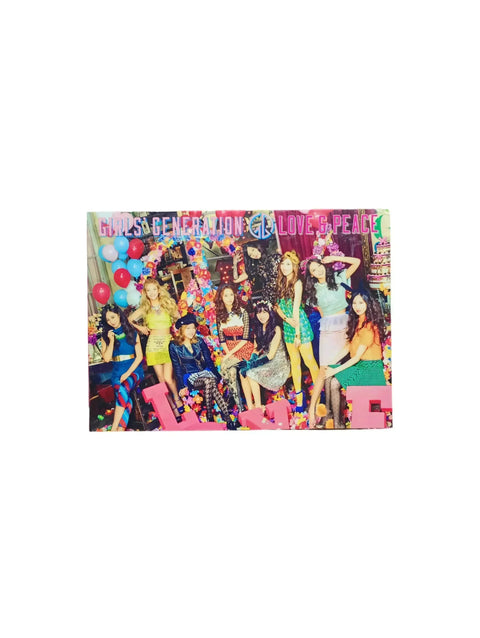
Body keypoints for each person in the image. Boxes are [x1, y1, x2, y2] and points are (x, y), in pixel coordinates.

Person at [308, 287, 386, 429]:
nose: (357, 306)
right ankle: (330, 416)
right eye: (355, 303)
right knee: (327, 374)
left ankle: (338, 423)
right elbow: (347, 347)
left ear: (367, 304)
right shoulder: (357, 321)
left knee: (334, 382)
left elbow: (356, 358)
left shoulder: (369, 326)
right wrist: (331, 363)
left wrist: (334, 370)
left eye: (361, 303)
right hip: (360, 366)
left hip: (370, 370)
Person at [303, 254, 360, 421]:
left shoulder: (338, 277)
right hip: (328, 330)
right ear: (311, 274)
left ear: (324, 265)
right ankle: (312, 410)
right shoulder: (313, 291)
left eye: (319, 266)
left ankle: (343, 410)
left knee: (342, 366)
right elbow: (322, 314)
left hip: (345, 327)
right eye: (314, 270)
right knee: (323, 370)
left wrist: (334, 258)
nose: (318, 270)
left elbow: (357, 262)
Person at [128, 277, 183, 416]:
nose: (152, 292)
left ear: (158, 290)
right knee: (161, 380)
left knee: (169, 377)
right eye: (148, 290)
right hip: (153, 346)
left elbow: (180, 318)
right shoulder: (144, 308)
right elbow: (128, 320)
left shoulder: (167, 304)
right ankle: (172, 408)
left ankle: (178, 400)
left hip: (167, 343)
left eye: (154, 289)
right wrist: (140, 328)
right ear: (146, 293)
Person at [169, 314, 235, 428]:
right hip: (189, 376)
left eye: (193, 328)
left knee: (210, 380)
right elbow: (177, 367)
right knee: (209, 381)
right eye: (188, 328)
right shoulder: (174, 345)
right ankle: (225, 418)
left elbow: (208, 360)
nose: (191, 331)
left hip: (205, 372)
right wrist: (181, 386)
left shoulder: (199, 341)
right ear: (182, 329)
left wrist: (216, 375)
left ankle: (214, 418)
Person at [275, 251, 319, 412]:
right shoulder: (280, 282)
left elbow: (295, 310)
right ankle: (300, 400)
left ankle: (318, 397)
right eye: (283, 264)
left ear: (294, 266)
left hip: (300, 326)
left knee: (310, 362)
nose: (284, 267)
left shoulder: (297, 283)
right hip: (288, 326)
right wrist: (286, 320)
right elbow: (276, 306)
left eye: (288, 264)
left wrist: (298, 334)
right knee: (294, 363)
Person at [238, 300, 291, 409]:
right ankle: (250, 406)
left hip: (278, 362)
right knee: (242, 371)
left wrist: (251, 365)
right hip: (265, 359)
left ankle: (258, 406)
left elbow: (271, 355)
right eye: (259, 312)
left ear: (270, 313)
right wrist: (250, 361)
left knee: (251, 373)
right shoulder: (258, 328)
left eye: (264, 312)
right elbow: (256, 350)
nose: (261, 315)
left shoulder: (276, 329)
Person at [100, 304, 144, 431]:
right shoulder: (106, 336)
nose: (111, 321)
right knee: (126, 401)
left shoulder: (131, 331)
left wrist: (127, 374)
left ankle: (114, 429)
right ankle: (119, 432)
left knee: (123, 389)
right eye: (108, 320)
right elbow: (107, 358)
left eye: (113, 317)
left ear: (119, 315)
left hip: (134, 371)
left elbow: (139, 357)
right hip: (117, 373)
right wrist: (111, 341)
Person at [215, 283, 254, 411]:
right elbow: (222, 340)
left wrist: (228, 355)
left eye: (231, 294)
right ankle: (240, 408)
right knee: (231, 373)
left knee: (223, 367)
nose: (229, 298)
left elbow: (245, 338)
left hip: (243, 347)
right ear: (221, 297)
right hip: (230, 349)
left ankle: (231, 400)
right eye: (225, 295)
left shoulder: (243, 312)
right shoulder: (220, 315)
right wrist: (228, 353)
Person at [232, 241, 281, 305]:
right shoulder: (256, 267)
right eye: (250, 255)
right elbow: (236, 279)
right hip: (269, 298)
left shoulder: (274, 256)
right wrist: (235, 264)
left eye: (253, 250)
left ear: (257, 246)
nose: (253, 254)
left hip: (282, 293)